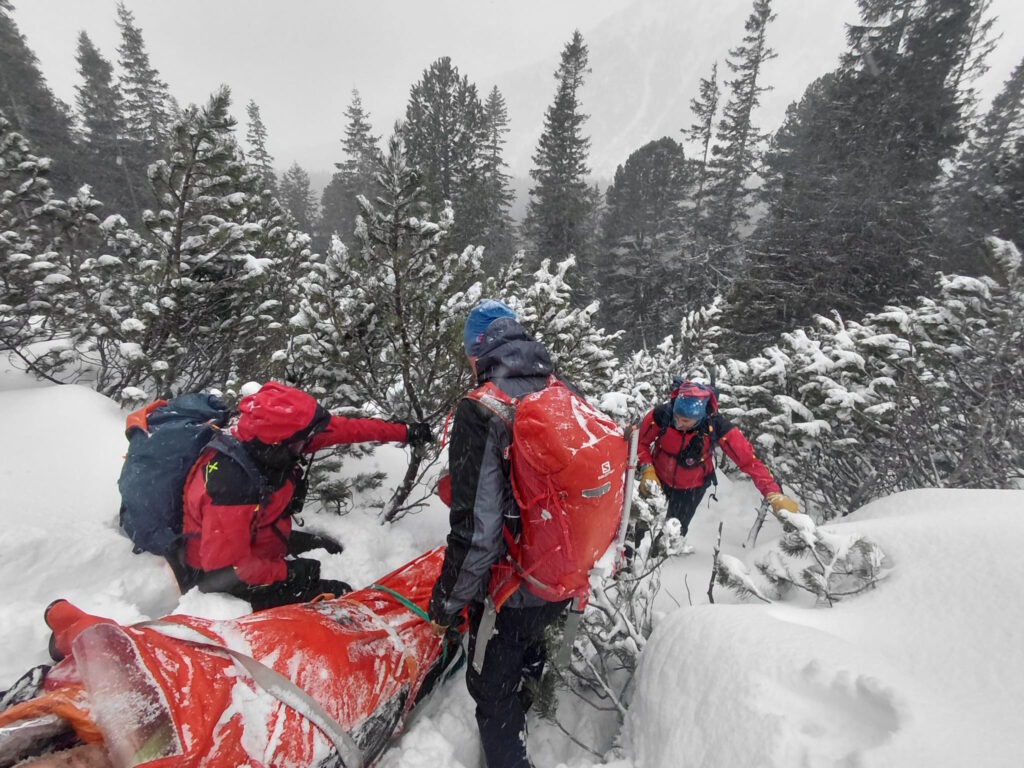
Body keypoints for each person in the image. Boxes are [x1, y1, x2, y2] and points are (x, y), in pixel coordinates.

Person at [427, 299, 568, 768]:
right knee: (527, 652)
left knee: (491, 689)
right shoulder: (560, 389)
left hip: (511, 583)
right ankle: (526, 706)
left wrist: (447, 602)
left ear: (477, 349)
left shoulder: (482, 408)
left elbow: (478, 531)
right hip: (562, 574)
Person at [178, 381, 432, 610]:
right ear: (277, 445)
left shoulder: (269, 436)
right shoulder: (230, 487)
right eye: (301, 442)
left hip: (262, 536)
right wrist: (289, 571)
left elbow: (346, 429)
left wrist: (405, 432)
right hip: (223, 577)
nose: (308, 445)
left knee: (327, 549)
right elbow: (228, 570)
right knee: (337, 594)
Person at [637, 380, 797, 553]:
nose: (678, 423)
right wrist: (647, 469)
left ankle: (660, 561)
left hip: (691, 488)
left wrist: (772, 493)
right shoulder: (662, 415)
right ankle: (632, 558)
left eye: (685, 420)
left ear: (699, 418)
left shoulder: (716, 426)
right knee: (639, 522)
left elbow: (749, 461)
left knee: (675, 529)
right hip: (657, 478)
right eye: (676, 417)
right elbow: (640, 444)